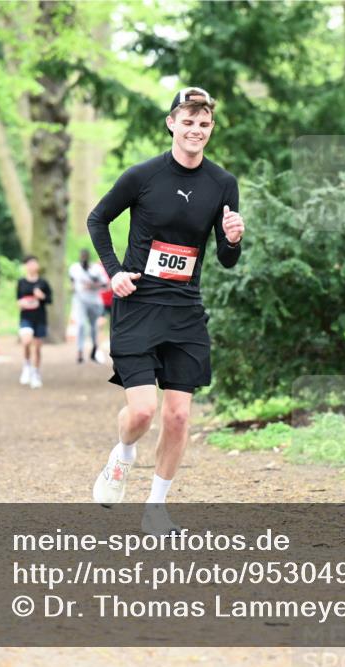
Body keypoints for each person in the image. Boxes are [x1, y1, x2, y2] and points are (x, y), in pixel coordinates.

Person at [86, 86, 245, 533]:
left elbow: (226, 259)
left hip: (185, 310)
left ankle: (156, 508)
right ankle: (123, 454)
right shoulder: (143, 176)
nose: (196, 130)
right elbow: (97, 219)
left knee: (178, 415)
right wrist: (115, 271)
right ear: (172, 123)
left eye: (204, 123)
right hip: (138, 305)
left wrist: (233, 238)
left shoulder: (222, 184)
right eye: (188, 121)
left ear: (210, 128)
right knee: (142, 413)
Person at [16, 255, 52, 389]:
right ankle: (26, 366)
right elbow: (18, 300)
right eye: (29, 264)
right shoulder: (21, 282)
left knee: (37, 347)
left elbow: (49, 300)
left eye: (34, 263)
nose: (32, 266)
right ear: (26, 266)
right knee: (26, 341)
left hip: (40, 317)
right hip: (26, 317)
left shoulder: (43, 283)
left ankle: (35, 373)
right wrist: (23, 303)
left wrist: (41, 296)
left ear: (37, 266)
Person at [68, 248, 108, 364]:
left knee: (94, 327)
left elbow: (105, 284)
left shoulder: (96, 269)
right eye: (82, 256)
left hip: (94, 301)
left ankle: (95, 349)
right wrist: (73, 288)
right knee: (80, 325)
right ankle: (80, 352)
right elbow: (72, 281)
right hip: (80, 301)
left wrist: (93, 285)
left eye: (85, 256)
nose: (83, 258)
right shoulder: (74, 268)